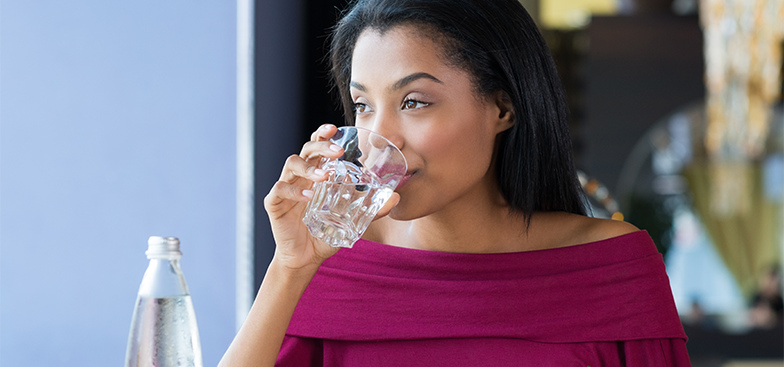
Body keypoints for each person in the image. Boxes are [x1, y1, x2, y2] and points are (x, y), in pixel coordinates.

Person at [220, 0, 690, 365]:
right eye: (363, 106)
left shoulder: (610, 268)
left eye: (414, 102)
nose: (379, 139)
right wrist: (288, 268)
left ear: (503, 108)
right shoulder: (330, 265)